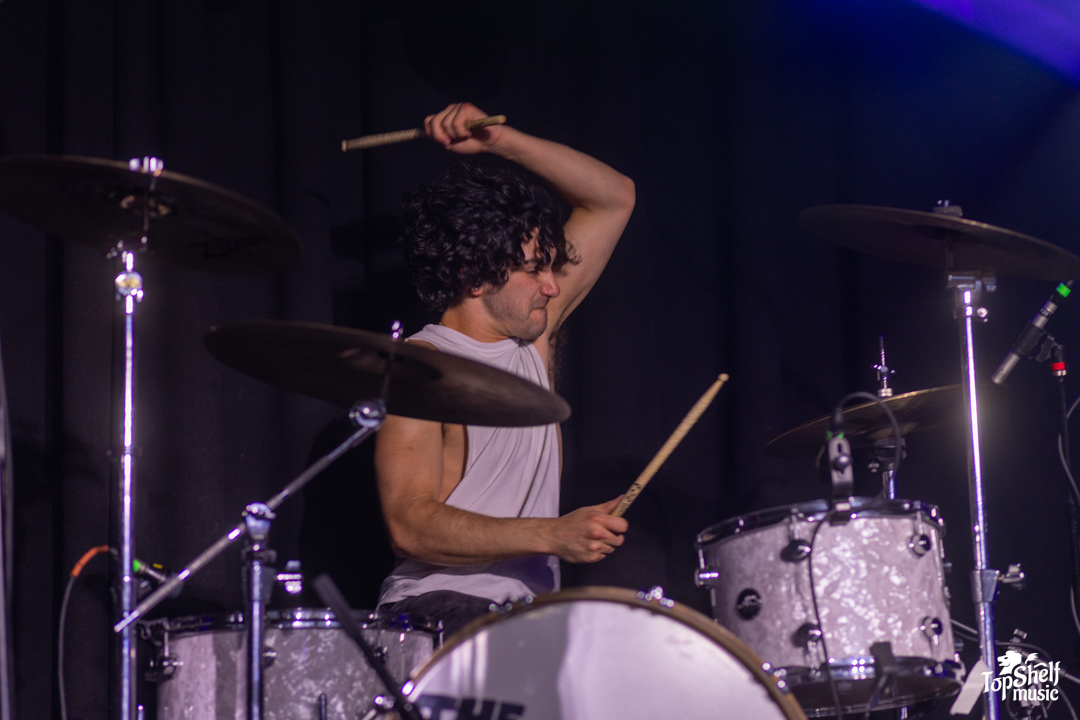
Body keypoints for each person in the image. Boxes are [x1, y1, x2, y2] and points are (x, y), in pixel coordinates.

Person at [375, 102, 635, 636]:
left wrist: (501, 141)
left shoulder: (533, 338)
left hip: (526, 614)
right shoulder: (421, 366)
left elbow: (614, 198)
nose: (553, 286)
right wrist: (552, 535)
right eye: (535, 269)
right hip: (438, 608)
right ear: (473, 276)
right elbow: (408, 524)